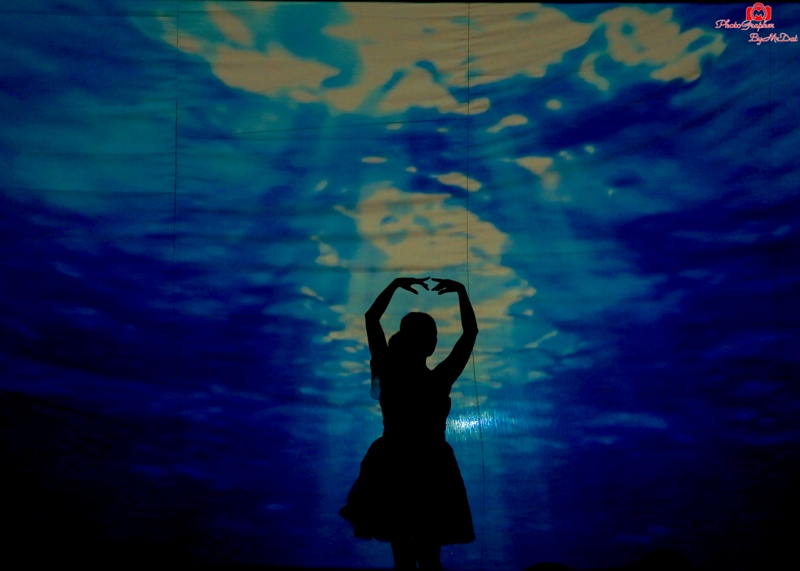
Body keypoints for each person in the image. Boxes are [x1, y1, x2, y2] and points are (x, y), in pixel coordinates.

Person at [340, 277, 479, 569]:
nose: (435, 340)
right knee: (429, 555)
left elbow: (371, 319)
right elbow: (470, 333)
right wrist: (461, 292)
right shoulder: (440, 379)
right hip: (430, 463)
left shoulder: (390, 374)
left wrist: (393, 285)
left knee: (403, 553)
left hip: (394, 460)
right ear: (428, 342)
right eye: (432, 335)